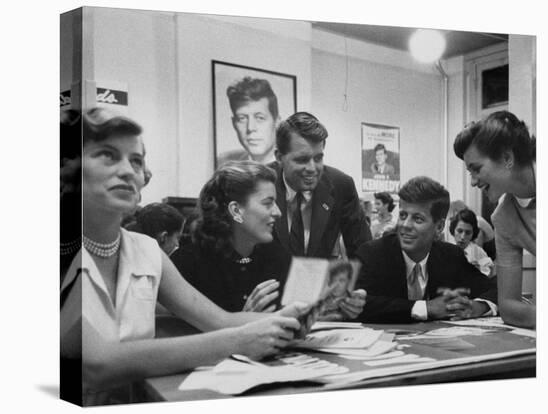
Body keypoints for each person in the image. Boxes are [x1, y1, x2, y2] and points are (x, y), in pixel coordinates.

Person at [60, 108, 312, 406]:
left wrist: (285, 321)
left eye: (137, 160)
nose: (129, 170)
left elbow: (221, 320)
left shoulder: (147, 250)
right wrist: (240, 341)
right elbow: (97, 363)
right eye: (108, 155)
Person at [355, 176, 497, 324]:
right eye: (403, 216)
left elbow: (494, 290)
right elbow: (358, 306)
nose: (405, 225)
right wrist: (425, 308)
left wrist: (477, 307)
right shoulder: (373, 254)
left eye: (417, 219)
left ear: (439, 227)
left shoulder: (451, 256)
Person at [171, 161, 290, 313]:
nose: (278, 212)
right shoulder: (186, 265)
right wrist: (243, 321)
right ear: (236, 210)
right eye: (268, 203)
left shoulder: (279, 258)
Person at [454, 111, 536, 328]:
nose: (472, 182)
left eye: (476, 169)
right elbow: (508, 307)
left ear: (507, 158)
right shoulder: (503, 218)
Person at [270, 111, 372, 260]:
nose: (312, 168)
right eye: (302, 160)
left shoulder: (341, 185)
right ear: (279, 157)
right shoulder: (260, 184)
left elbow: (362, 251)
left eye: (318, 158)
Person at [218, 77, 280, 166]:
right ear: (234, 124)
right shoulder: (223, 162)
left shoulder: (297, 168)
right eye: (242, 118)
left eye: (260, 118)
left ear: (277, 122)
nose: (250, 128)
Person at [449, 208, 494, 277]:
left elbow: (489, 273)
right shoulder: (446, 249)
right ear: (453, 230)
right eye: (460, 231)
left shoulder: (478, 252)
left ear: (473, 234)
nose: (463, 237)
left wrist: (478, 269)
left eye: (468, 233)